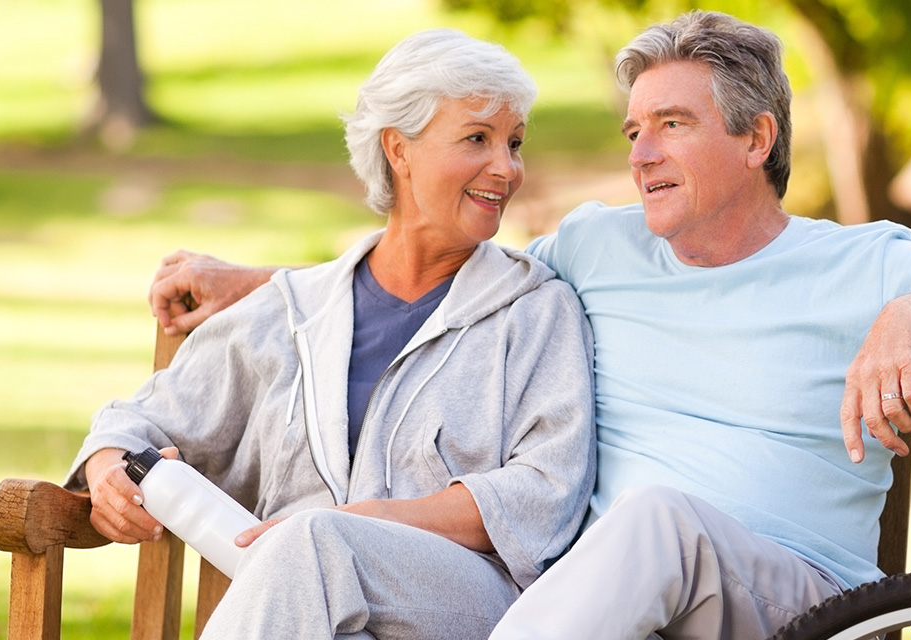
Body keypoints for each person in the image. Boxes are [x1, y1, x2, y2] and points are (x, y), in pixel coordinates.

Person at [152, 12, 911, 639]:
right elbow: (439, 273)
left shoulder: (869, 263)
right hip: (586, 606)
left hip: (795, 603)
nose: (640, 154)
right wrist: (256, 283)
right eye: (634, 130)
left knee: (659, 521)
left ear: (756, 139)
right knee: (319, 546)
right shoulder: (597, 249)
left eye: (671, 125)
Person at [65, 29, 596, 639]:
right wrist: (109, 471)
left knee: (315, 537)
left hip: (470, 610)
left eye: (516, 143)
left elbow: (544, 492)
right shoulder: (289, 313)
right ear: (398, 149)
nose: (506, 168)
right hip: (311, 616)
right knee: (315, 552)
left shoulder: (536, 311)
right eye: (478, 138)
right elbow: (134, 424)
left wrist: (356, 523)